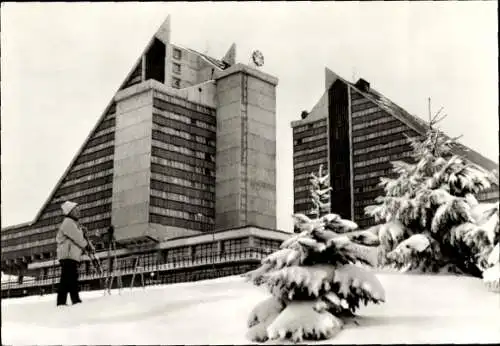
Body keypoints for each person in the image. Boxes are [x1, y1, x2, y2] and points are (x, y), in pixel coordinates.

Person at [56, 201, 92, 306]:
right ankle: (69, 301)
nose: (78, 212)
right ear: (70, 212)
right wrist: (86, 245)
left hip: (70, 256)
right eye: (76, 210)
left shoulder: (73, 223)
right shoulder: (68, 222)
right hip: (68, 256)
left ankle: (71, 300)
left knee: (70, 278)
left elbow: (77, 236)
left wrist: (82, 232)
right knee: (68, 278)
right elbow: (77, 237)